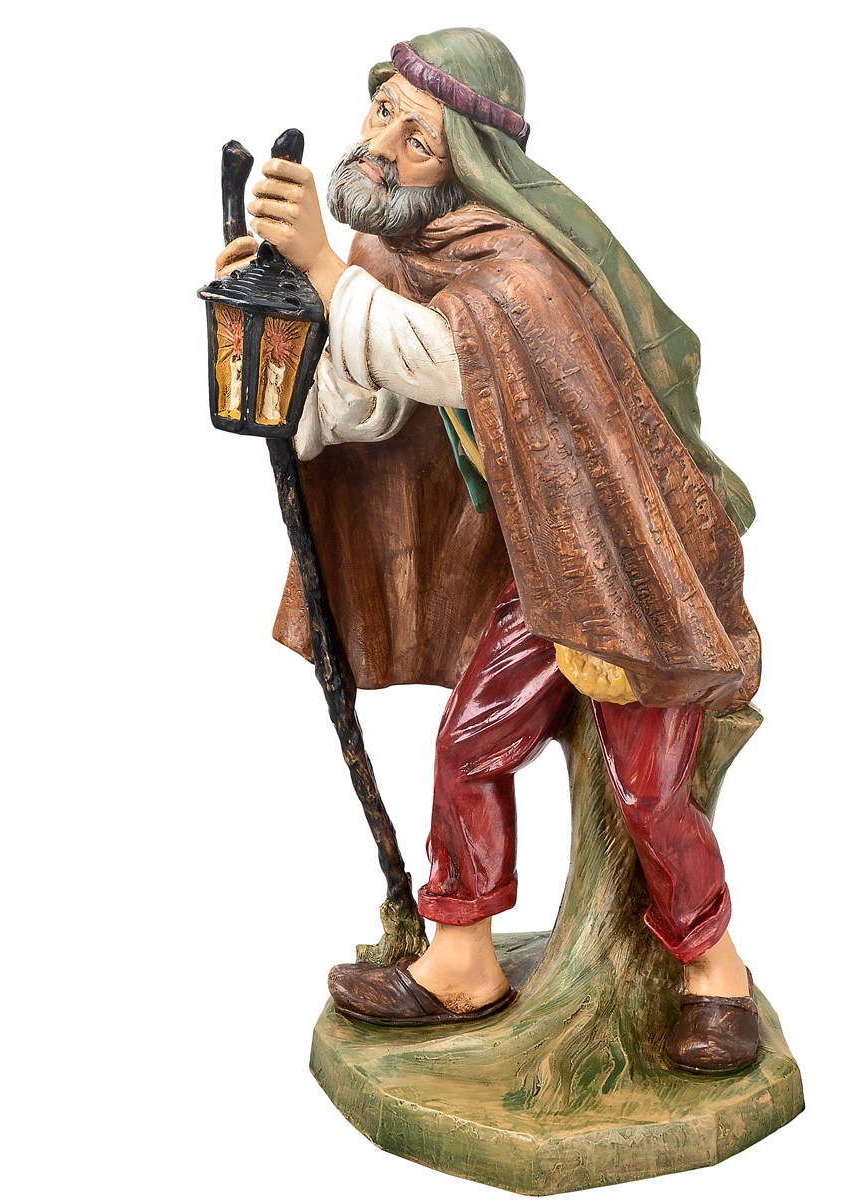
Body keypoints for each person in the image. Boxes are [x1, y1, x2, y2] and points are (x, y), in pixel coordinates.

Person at [216, 28, 763, 1074]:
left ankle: (713, 970)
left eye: (417, 138)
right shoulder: (399, 253)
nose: (381, 146)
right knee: (470, 746)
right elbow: (363, 407)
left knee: (649, 787)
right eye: (383, 111)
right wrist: (287, 303)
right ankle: (462, 959)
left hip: (624, 566)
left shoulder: (518, 272)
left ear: (466, 160)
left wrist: (326, 270)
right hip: (542, 569)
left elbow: (442, 358)